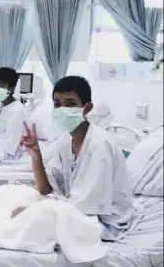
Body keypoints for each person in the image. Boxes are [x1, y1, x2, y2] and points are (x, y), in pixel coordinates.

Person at [12, 75, 137, 241]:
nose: (62, 109)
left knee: (29, 219)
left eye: (70, 104)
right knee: (16, 200)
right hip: (76, 210)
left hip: (103, 222)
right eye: (57, 104)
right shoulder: (65, 140)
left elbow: (86, 208)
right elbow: (45, 189)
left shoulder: (99, 145)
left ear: (87, 108)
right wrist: (36, 155)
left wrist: (37, 211)